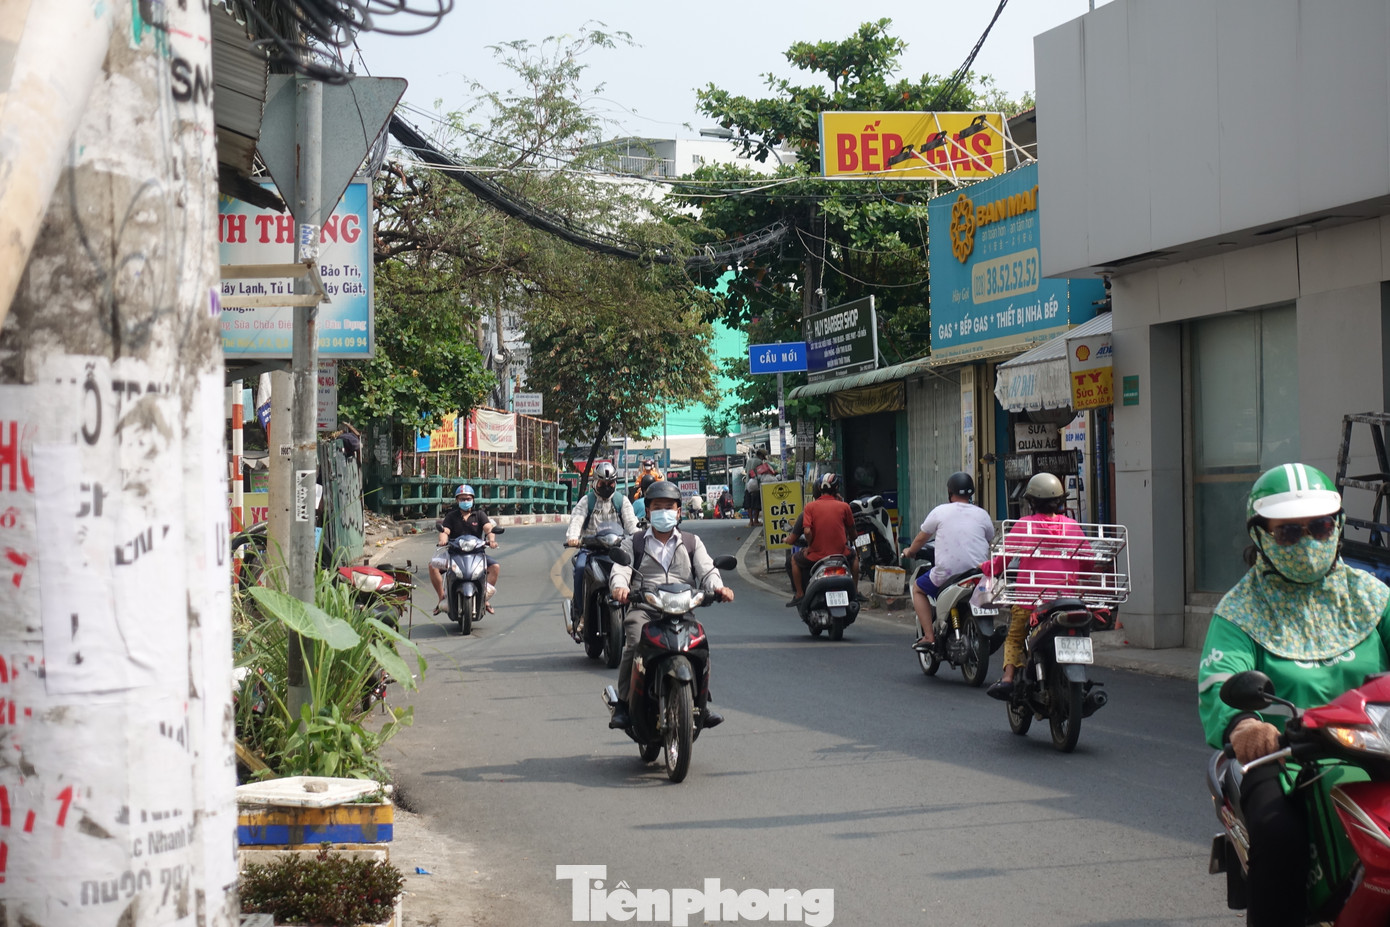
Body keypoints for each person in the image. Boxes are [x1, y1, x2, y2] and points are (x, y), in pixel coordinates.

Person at [1198, 463, 1390, 927]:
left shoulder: (1373, 597)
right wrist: (1245, 725)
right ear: (1260, 535)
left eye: (1320, 527)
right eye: (1289, 533)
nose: (1308, 541)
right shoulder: (1239, 611)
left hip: (1376, 746)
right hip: (1284, 757)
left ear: (1338, 527)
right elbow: (1219, 682)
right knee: (1278, 834)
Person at [607, 480, 734, 730]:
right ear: (649, 511)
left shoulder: (691, 542)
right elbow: (621, 569)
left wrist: (718, 588)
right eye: (657, 506)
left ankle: (702, 703)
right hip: (645, 608)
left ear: (678, 511)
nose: (663, 511)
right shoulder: (635, 542)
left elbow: (707, 570)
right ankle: (622, 704)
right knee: (633, 642)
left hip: (682, 608)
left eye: (669, 507)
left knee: (700, 647)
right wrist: (620, 587)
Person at [984, 472, 1085, 699]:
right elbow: (1088, 558)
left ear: (1031, 502)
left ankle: (1008, 678)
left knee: (1015, 637)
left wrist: (986, 569)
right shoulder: (1072, 526)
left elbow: (1002, 560)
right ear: (1060, 500)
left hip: (1030, 602)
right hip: (1067, 601)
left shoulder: (1023, 525)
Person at [901, 471, 996, 653]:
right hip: (978, 573)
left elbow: (921, 538)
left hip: (948, 574)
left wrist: (910, 551)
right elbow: (989, 538)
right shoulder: (982, 514)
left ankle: (929, 636)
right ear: (971, 493)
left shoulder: (940, 511)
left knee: (918, 589)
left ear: (950, 492)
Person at [564, 461, 638, 632]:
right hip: (590, 549)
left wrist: (638, 537)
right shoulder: (586, 501)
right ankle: (580, 612)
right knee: (580, 568)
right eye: (602, 484)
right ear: (594, 483)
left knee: (634, 571)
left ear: (615, 483)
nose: (606, 487)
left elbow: (631, 523)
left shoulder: (622, 501)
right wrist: (573, 537)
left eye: (610, 483)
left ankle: (635, 611)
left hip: (617, 549)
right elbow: (576, 520)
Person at [786, 472, 862, 607]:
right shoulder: (844, 506)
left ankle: (799, 594)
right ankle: (855, 591)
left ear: (820, 488)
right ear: (837, 488)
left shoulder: (810, 507)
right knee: (855, 557)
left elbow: (807, 531)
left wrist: (810, 545)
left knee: (794, 560)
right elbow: (853, 534)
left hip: (816, 555)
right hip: (841, 554)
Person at [429, 484, 500, 615]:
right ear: (457, 501)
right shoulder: (451, 516)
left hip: (477, 554)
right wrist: (443, 539)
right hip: (454, 554)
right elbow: (445, 530)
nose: (465, 501)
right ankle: (441, 598)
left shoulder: (480, 515)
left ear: (473, 499)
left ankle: (484, 598)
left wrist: (491, 540)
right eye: (462, 499)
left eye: (468, 499)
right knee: (432, 566)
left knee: (495, 567)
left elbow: (488, 529)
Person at [745, 448, 776, 527]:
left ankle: (751, 521)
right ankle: (756, 520)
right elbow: (761, 472)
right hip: (756, 485)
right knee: (756, 504)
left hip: (748, 485)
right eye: (763, 456)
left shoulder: (749, 460)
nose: (763, 458)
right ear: (761, 455)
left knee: (749, 504)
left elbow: (746, 471)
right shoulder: (759, 461)